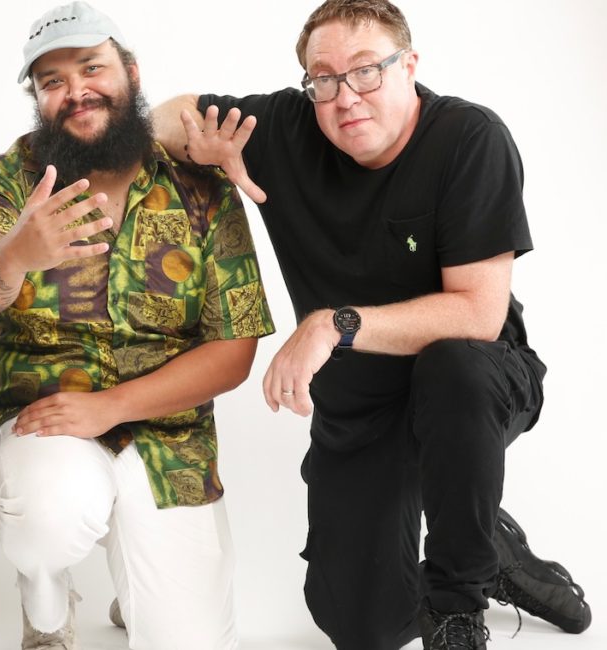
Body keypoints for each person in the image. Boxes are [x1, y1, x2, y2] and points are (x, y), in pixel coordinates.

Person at [153, 1, 592, 649]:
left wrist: (335, 324)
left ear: (409, 66)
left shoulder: (468, 140)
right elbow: (161, 116)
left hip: (477, 382)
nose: (344, 96)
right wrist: (203, 145)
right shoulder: (285, 127)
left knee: (454, 365)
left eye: (367, 71)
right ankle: (485, 540)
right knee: (364, 625)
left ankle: (457, 603)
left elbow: (477, 312)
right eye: (322, 78)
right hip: (362, 411)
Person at [0, 3, 274, 648]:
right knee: (49, 516)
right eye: (51, 82)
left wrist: (114, 406)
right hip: (49, 414)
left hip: (168, 436)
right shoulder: (8, 180)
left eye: (91, 68)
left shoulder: (202, 189)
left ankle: (143, 586)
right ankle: (46, 604)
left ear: (130, 72)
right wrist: (17, 253)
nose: (75, 92)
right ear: (37, 98)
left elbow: (234, 349)